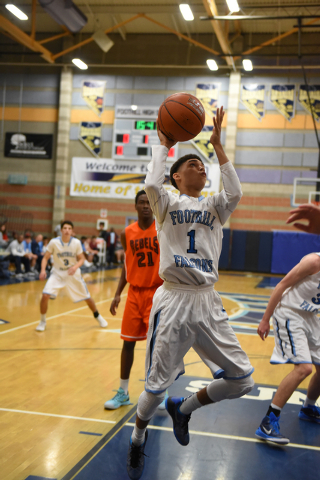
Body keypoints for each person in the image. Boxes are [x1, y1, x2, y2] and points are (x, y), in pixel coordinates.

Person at [126, 107, 254, 480]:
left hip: (208, 301)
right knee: (154, 388)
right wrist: (162, 145)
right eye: (194, 164)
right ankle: (137, 439)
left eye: (204, 164)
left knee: (242, 380)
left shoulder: (215, 205)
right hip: (174, 300)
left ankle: (183, 409)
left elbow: (235, 190)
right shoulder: (167, 204)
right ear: (177, 177)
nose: (202, 168)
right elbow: (152, 185)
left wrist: (217, 146)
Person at [104, 190, 163, 411]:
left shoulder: (162, 229)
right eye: (142, 202)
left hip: (157, 293)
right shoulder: (126, 233)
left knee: (156, 346)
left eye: (149, 202)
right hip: (134, 294)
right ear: (135, 206)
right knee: (127, 343)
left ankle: (158, 392)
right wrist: (118, 292)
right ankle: (122, 392)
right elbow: (127, 264)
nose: (146, 205)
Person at [255, 252, 320, 445]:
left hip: (310, 316)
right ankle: (268, 421)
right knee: (304, 368)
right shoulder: (313, 261)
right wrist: (265, 319)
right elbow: (282, 285)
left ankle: (308, 408)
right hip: (289, 313)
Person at [35, 220, 108, 332]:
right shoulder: (54, 242)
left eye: (69, 228)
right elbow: (45, 258)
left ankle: (97, 316)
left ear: (72, 231)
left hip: (72, 274)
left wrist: (75, 267)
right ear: (61, 230)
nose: (67, 230)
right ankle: (42, 321)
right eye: (65, 228)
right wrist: (43, 270)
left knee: (87, 298)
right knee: (45, 295)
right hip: (57, 273)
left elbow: (82, 259)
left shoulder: (76, 243)